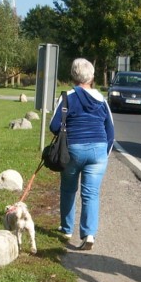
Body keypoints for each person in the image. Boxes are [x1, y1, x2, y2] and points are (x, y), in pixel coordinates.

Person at [49, 58, 115, 250]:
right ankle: (89, 234)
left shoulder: (67, 97)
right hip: (99, 151)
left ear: (73, 75)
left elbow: (54, 126)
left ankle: (67, 228)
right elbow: (110, 131)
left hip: (73, 150)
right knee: (91, 194)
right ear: (92, 77)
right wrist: (104, 153)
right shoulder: (102, 100)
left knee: (68, 189)